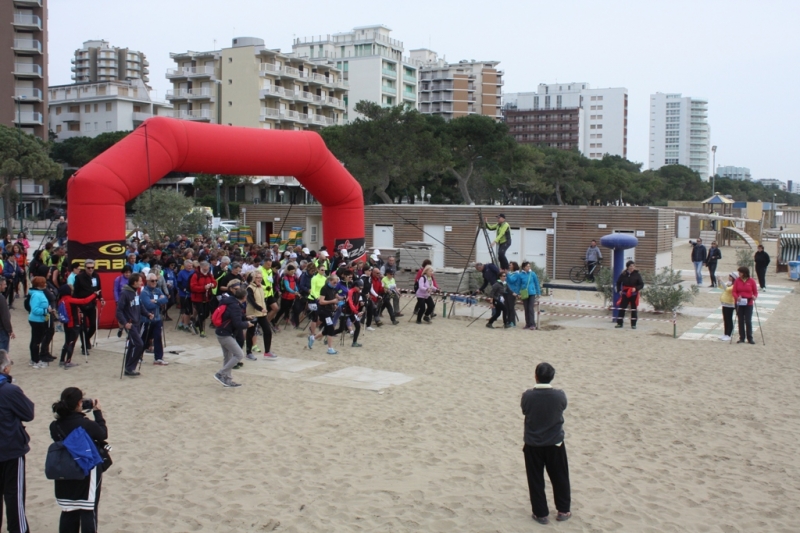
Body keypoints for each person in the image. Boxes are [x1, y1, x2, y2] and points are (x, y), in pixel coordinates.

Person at [50, 387, 107, 532]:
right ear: (79, 403)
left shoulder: (55, 426)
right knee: (88, 510)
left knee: (68, 510)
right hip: (86, 470)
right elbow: (102, 434)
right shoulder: (85, 424)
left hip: (65, 470)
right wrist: (97, 412)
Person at [521, 362, 571, 524]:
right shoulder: (559, 395)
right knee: (560, 476)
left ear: (536, 376)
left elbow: (525, 410)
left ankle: (541, 514)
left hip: (533, 443)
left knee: (536, 478)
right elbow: (561, 408)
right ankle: (563, 510)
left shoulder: (528, 395)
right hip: (554, 442)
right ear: (552, 377)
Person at [0, 349, 34, 533]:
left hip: (8, 446)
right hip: (10, 448)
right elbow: (28, 413)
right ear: (5, 369)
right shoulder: (9, 390)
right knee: (14, 496)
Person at [213, 287, 250, 387]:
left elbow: (231, 317)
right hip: (225, 334)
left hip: (222, 331)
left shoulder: (230, 302)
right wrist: (247, 324)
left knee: (228, 356)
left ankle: (227, 379)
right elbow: (237, 323)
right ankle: (220, 373)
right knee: (239, 354)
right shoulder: (235, 306)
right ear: (244, 297)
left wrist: (245, 317)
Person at [116, 273, 148, 377]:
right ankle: (130, 367)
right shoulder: (125, 293)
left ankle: (129, 368)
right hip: (130, 324)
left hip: (137, 322)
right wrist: (125, 323)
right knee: (139, 344)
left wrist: (147, 314)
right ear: (134, 282)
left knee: (133, 345)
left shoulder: (136, 292)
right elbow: (119, 311)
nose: (141, 282)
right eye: (140, 281)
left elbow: (140, 306)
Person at [57, 285, 97, 368]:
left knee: (67, 342)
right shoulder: (70, 300)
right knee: (72, 343)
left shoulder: (61, 300)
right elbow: (84, 301)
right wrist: (94, 294)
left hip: (66, 324)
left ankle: (62, 360)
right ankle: (68, 361)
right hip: (73, 324)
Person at [308, 274, 345, 355]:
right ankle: (330, 348)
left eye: (337, 282)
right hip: (323, 311)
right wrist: (332, 302)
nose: (336, 284)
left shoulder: (334, 289)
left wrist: (340, 300)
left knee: (325, 331)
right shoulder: (324, 288)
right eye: (334, 282)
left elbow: (336, 297)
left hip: (330, 310)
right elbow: (321, 301)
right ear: (330, 281)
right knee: (331, 328)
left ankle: (313, 338)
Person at [73, 260, 103, 356]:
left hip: (92, 303)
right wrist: (77, 305)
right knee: (83, 326)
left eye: (92, 267)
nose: (90, 269)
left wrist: (101, 298)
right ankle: (84, 346)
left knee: (94, 325)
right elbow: (75, 292)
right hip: (82, 304)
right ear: (85, 268)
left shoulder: (96, 276)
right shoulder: (79, 277)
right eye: (88, 267)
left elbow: (98, 289)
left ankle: (86, 340)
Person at [245, 271, 276, 360]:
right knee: (251, 332)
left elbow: (266, 289)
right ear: (253, 278)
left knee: (267, 331)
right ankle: (248, 352)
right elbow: (252, 301)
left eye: (260, 278)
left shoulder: (260, 287)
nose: (259, 279)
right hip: (253, 313)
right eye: (257, 277)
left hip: (262, 314)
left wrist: (269, 288)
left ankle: (267, 351)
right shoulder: (250, 288)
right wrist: (260, 308)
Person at [141, 274, 169, 365]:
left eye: (156, 280)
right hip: (147, 319)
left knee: (158, 338)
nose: (154, 282)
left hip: (157, 318)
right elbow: (148, 305)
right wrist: (159, 302)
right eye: (152, 281)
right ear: (147, 281)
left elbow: (165, 299)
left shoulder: (158, 290)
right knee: (144, 339)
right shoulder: (144, 292)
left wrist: (156, 301)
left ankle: (158, 358)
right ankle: (138, 356)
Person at [509, 261, 541, 330]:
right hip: (524, 293)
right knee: (526, 309)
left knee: (530, 308)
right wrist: (516, 293)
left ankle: (532, 324)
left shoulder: (532, 274)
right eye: (527, 266)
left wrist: (539, 292)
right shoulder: (521, 275)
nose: (528, 267)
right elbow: (519, 285)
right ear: (524, 267)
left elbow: (536, 283)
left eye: (529, 266)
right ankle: (528, 323)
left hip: (532, 293)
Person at [28, 276, 52, 368]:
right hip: (36, 320)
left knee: (36, 340)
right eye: (43, 283)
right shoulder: (36, 295)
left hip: (40, 319)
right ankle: (35, 360)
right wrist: (46, 311)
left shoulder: (39, 293)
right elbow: (35, 309)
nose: (45, 284)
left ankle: (34, 359)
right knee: (36, 341)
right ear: (39, 285)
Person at [189, 261, 216, 338]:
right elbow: (193, 287)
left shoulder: (209, 274)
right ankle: (202, 331)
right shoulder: (195, 275)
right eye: (204, 269)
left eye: (207, 269)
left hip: (207, 297)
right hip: (197, 298)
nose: (205, 271)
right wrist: (203, 288)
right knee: (201, 313)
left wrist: (212, 285)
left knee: (206, 313)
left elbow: (214, 282)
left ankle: (195, 324)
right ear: (201, 267)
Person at [732, 266, 758, 344]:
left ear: (744, 273)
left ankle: (750, 338)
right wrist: (737, 297)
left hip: (749, 302)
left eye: (740, 272)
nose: (739, 274)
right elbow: (734, 291)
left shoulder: (752, 281)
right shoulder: (737, 281)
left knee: (748, 320)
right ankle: (742, 337)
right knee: (740, 320)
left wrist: (754, 297)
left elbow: (755, 292)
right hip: (739, 302)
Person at [615, 261, 644, 329]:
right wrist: (619, 290)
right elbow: (618, 282)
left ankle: (633, 324)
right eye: (631, 266)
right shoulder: (623, 274)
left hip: (633, 294)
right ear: (627, 267)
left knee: (634, 309)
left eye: (633, 266)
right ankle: (619, 323)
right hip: (625, 293)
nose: (632, 267)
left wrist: (636, 288)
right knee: (622, 308)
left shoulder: (637, 274)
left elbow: (641, 284)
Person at [718, 272, 737, 342]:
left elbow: (727, 289)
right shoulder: (728, 283)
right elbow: (720, 287)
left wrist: (721, 281)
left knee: (729, 319)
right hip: (724, 303)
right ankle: (725, 333)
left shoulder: (734, 284)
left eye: (731, 277)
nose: (729, 278)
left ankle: (729, 334)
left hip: (730, 303)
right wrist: (719, 281)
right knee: (725, 319)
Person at [0, 279, 14, 352]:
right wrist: (10, 330)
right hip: (2, 330)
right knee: (3, 353)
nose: (5, 286)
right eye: (4, 284)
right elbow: (5, 316)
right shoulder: (1, 298)